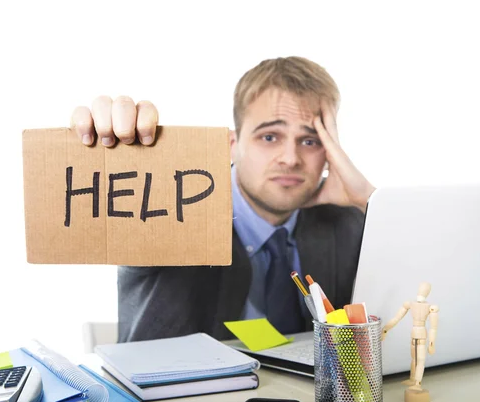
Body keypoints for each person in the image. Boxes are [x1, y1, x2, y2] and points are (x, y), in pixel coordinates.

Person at [69, 56, 375, 342]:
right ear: (232, 144)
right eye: (269, 137)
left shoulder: (348, 219)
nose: (290, 159)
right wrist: (118, 143)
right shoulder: (173, 209)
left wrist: (367, 201)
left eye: (310, 141)